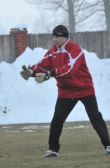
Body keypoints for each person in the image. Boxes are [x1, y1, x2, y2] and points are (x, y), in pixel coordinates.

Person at [20, 25, 110, 157]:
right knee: (57, 120)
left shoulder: (75, 49)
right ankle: (53, 150)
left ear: (65, 37)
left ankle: (108, 145)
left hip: (84, 88)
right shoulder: (53, 51)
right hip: (66, 92)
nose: (54, 39)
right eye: (54, 37)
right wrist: (31, 71)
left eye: (57, 37)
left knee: (95, 117)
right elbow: (42, 64)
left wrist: (50, 73)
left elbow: (70, 69)